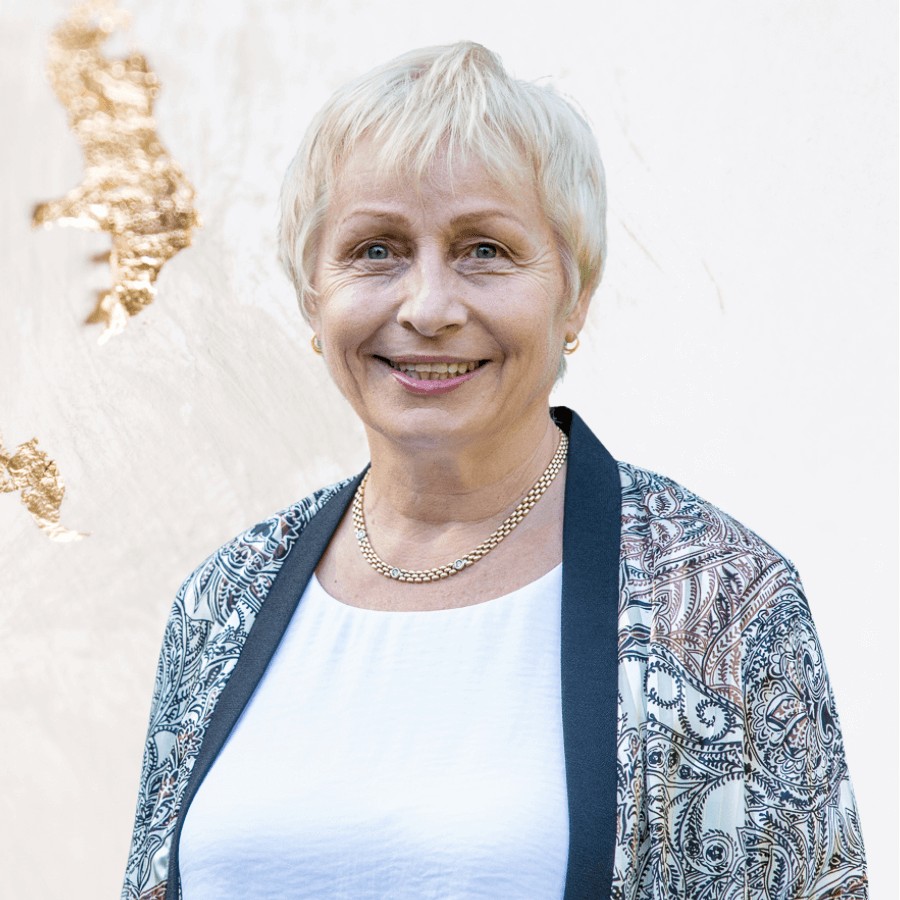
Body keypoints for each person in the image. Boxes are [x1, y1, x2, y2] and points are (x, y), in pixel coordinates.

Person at [121, 42, 867, 900]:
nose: (429, 307)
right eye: (375, 250)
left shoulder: (721, 600)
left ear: (575, 294)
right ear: (311, 298)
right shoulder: (223, 601)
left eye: (484, 249)